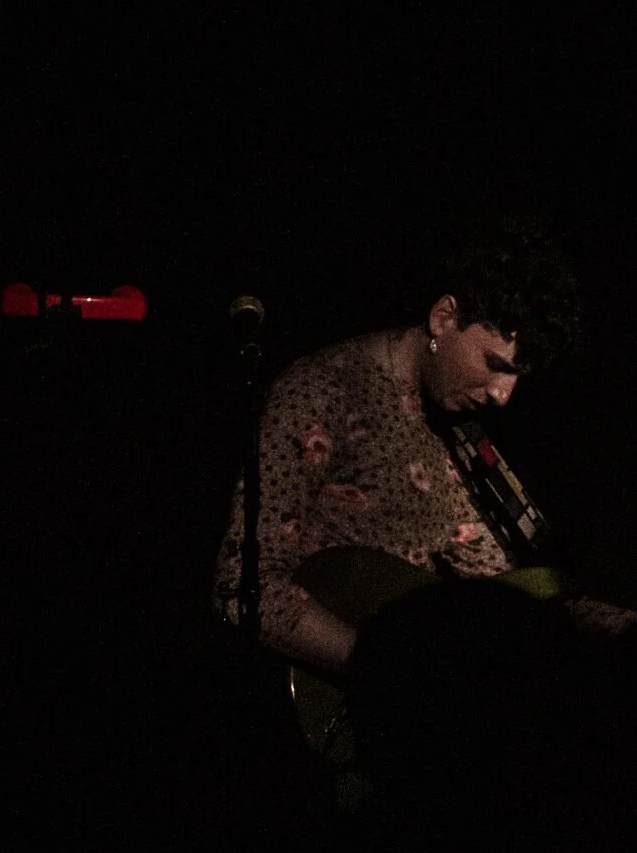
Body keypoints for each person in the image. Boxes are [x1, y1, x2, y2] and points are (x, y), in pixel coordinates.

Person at [212, 223, 583, 678]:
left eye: (517, 375)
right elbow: (242, 588)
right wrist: (384, 671)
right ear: (443, 317)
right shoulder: (321, 390)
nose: (503, 394)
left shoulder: (457, 430)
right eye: (494, 364)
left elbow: (502, 583)